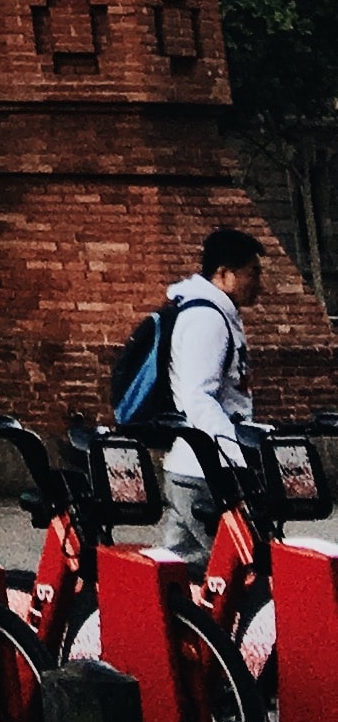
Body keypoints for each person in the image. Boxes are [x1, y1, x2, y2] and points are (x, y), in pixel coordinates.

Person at [163, 222, 265, 560]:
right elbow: (197, 396)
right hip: (206, 470)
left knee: (183, 572)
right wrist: (235, 452)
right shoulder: (207, 319)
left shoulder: (216, 313)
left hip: (196, 466)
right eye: (253, 273)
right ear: (225, 274)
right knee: (241, 567)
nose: (259, 284)